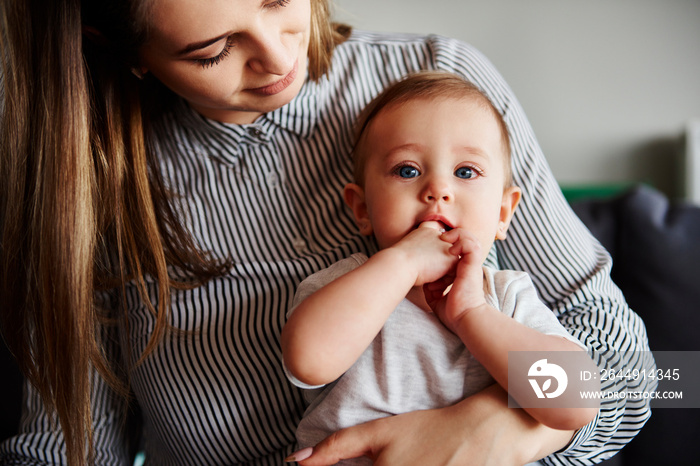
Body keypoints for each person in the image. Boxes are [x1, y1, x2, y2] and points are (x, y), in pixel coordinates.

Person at [0, 1, 653, 465]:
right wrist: (398, 267)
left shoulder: (445, 100)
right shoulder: (85, 185)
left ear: (505, 208)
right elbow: (65, 448)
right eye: (213, 49)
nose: (279, 54)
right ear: (127, 54)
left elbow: (634, 379)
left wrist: (489, 433)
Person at [281, 71, 601, 464]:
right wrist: (402, 262)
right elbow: (308, 361)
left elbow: (576, 402)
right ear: (362, 209)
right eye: (407, 170)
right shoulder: (346, 284)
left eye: (466, 172)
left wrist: (471, 314)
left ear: (503, 213)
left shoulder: (507, 297)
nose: (438, 190)